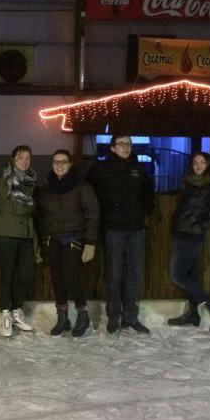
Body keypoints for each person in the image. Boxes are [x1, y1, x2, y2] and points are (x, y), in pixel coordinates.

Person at [87, 135, 154, 334]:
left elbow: (148, 192)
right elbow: (89, 193)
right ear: (113, 148)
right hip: (113, 229)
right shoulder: (101, 169)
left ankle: (131, 317)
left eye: (128, 144)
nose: (126, 147)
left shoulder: (139, 168)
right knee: (114, 275)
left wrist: (145, 209)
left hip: (136, 229)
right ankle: (114, 316)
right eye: (121, 144)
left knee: (134, 274)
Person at [39, 149, 99, 338]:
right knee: (57, 278)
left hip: (74, 238)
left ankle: (83, 314)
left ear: (70, 164)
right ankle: (62, 317)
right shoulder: (47, 188)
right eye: (56, 162)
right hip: (52, 239)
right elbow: (41, 215)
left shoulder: (82, 187)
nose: (59, 165)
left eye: (63, 162)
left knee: (71, 277)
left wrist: (91, 242)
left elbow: (92, 214)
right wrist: (42, 239)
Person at [168, 152, 210, 334]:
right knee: (191, 276)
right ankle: (193, 314)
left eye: (202, 162)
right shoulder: (190, 184)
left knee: (177, 275)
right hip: (181, 233)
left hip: (191, 236)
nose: (198, 165)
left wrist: (201, 226)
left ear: (209, 165)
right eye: (195, 162)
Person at [0, 145, 37, 337]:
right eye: (20, 158)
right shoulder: (6, 179)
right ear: (13, 159)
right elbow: (19, 208)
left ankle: (17, 311)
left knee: (25, 275)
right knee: (7, 276)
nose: (24, 161)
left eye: (27, 158)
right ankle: (6, 314)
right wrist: (33, 204)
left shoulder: (30, 180)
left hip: (25, 234)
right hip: (6, 233)